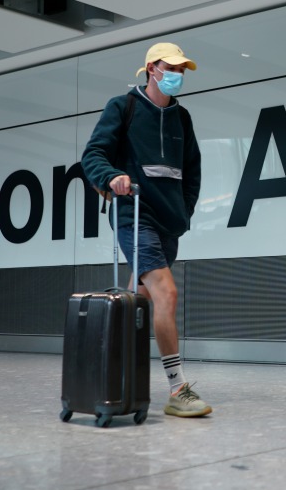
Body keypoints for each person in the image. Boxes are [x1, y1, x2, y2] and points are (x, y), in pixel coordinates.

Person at [81, 42, 211, 418]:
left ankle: (119, 378)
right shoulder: (123, 106)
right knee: (167, 293)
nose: (178, 75)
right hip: (134, 215)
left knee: (142, 302)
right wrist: (113, 176)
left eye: (182, 69)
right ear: (151, 68)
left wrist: (183, 213)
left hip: (169, 221)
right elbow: (93, 156)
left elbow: (193, 171)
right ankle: (178, 389)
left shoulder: (182, 118)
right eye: (171, 68)